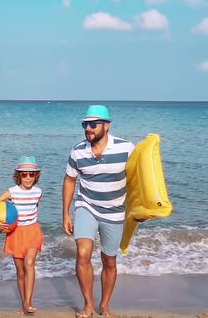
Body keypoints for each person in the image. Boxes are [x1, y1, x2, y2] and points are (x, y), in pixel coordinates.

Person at [62, 105, 135, 318]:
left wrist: (141, 209)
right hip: (87, 206)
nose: (88, 129)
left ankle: (105, 305)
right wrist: (66, 213)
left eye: (93, 124)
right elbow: (69, 180)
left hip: (115, 211)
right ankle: (88, 305)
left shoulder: (126, 148)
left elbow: (140, 179)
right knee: (83, 254)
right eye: (85, 124)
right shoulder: (77, 150)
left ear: (107, 126)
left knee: (109, 260)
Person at [0, 156, 43, 315]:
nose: (27, 178)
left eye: (31, 175)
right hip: (16, 234)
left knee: (30, 263)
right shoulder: (12, 192)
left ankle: (28, 303)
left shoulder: (38, 192)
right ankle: (23, 304)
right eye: (24, 174)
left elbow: (34, 209)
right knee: (20, 272)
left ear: (36, 176)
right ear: (18, 175)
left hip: (32, 232)